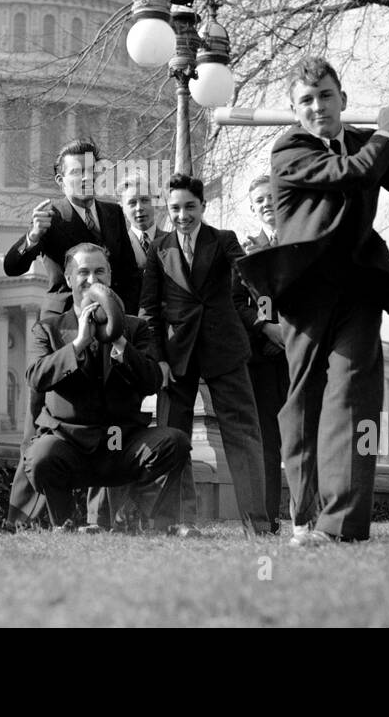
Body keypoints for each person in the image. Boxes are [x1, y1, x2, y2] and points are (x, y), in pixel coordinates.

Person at [238, 57, 389, 546]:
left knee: (354, 399)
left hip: (358, 288)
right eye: (306, 101)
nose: (318, 108)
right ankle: (304, 514)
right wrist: (385, 133)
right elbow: (352, 175)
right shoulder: (288, 149)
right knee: (304, 407)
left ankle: (341, 528)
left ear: (343, 100)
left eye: (326, 97)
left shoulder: (364, 143)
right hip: (304, 294)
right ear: (295, 111)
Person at [2, 138, 141, 529]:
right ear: (61, 179)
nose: (85, 178)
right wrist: (32, 235)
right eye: (76, 172)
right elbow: (13, 265)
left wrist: (123, 321)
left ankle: (100, 519)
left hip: (107, 325)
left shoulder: (114, 215)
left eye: (92, 171)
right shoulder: (51, 215)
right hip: (60, 327)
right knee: (37, 420)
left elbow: (129, 275)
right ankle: (22, 518)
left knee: (105, 414)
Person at [24, 243, 190, 531]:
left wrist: (120, 344)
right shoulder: (48, 329)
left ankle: (161, 524)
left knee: (174, 442)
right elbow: (36, 377)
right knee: (41, 456)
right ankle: (64, 525)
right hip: (71, 447)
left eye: (100, 271)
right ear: (68, 279)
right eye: (83, 272)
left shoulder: (136, 328)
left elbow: (152, 381)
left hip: (122, 445)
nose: (92, 279)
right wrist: (78, 345)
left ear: (110, 276)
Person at [140, 172, 270, 535]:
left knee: (243, 435)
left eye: (190, 207)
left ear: (203, 207)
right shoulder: (159, 247)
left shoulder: (224, 240)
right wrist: (159, 359)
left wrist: (267, 295)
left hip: (224, 350)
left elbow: (249, 276)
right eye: (175, 208)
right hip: (175, 357)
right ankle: (179, 522)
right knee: (172, 438)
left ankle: (256, 524)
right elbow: (149, 308)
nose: (183, 216)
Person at [241, 175, 290, 533]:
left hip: (301, 355)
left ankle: (308, 517)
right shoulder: (244, 248)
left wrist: (290, 331)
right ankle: (269, 518)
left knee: (304, 437)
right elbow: (234, 302)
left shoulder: (304, 238)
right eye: (259, 200)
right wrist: (266, 327)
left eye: (271, 197)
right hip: (261, 360)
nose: (266, 204)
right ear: (252, 207)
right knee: (268, 444)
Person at [120, 174, 169, 271]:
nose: (139, 208)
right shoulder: (120, 247)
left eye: (145, 200)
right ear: (123, 208)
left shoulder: (173, 241)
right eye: (132, 203)